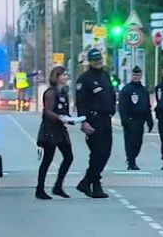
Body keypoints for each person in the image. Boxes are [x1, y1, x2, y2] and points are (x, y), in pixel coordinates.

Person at [75, 48, 116, 199]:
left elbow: (110, 95)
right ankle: (95, 184)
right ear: (89, 61)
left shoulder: (105, 75)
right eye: (94, 60)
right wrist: (83, 121)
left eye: (99, 59)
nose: (98, 62)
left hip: (106, 119)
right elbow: (81, 103)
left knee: (106, 153)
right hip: (93, 120)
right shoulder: (84, 79)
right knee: (97, 153)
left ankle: (87, 182)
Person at [35, 66, 74, 200]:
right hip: (50, 131)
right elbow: (47, 111)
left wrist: (71, 119)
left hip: (60, 130)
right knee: (47, 160)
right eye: (63, 75)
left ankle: (58, 186)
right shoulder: (50, 93)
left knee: (68, 157)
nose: (66, 77)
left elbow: (64, 111)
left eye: (66, 74)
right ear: (56, 77)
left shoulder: (63, 93)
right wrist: (59, 118)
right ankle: (40, 189)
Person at [118, 66, 153, 171]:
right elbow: (122, 107)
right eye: (134, 75)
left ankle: (133, 158)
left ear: (140, 76)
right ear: (131, 75)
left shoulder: (143, 90)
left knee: (138, 142)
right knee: (130, 142)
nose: (136, 77)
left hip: (140, 120)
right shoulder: (126, 90)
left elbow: (147, 107)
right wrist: (124, 120)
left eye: (138, 75)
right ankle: (131, 161)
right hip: (130, 119)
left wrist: (149, 121)